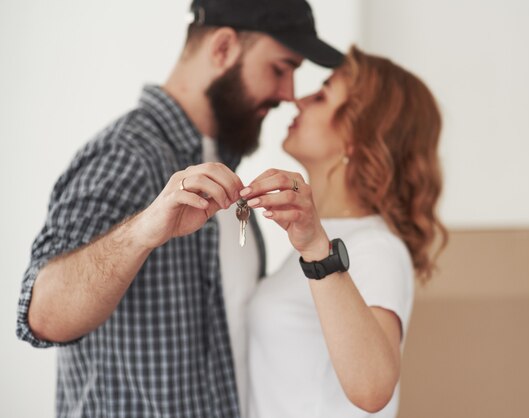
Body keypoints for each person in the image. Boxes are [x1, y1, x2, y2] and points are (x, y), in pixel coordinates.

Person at [15, 0, 342, 416]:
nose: (289, 94)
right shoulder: (126, 156)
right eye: (281, 68)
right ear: (223, 48)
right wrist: (142, 230)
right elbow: (41, 316)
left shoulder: (226, 169)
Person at [241, 46, 447, 417]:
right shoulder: (330, 236)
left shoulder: (374, 248)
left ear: (359, 134)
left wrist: (317, 249)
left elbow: (372, 390)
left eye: (321, 96)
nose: (299, 100)